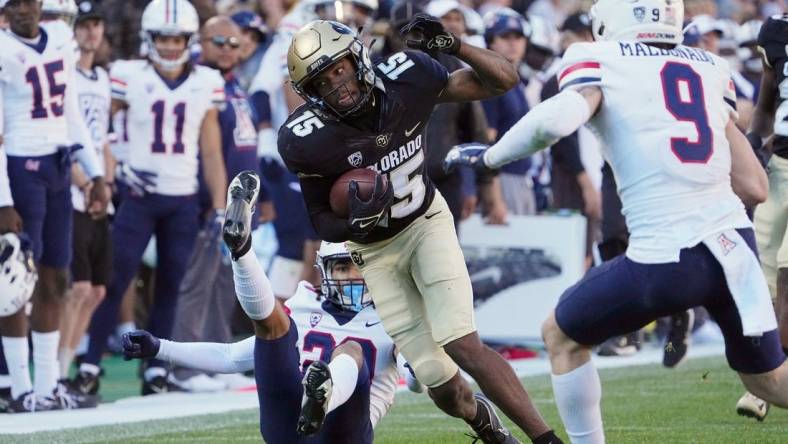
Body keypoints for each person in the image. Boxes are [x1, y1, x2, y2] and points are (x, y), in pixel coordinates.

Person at [444, 1, 788, 442]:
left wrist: (490, 156)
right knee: (771, 383)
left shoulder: (598, 58)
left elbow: (559, 120)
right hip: (734, 251)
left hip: (665, 256)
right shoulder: (711, 68)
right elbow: (755, 186)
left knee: (561, 336)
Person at [279, 18, 561, 444]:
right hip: (374, 255)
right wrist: (353, 222)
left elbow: (503, 80)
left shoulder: (408, 78)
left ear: (358, 58)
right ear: (310, 93)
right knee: (438, 382)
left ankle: (545, 439)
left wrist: (457, 45)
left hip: (426, 223)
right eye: (322, 80)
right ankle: (483, 423)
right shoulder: (306, 140)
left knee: (462, 342)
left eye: (339, 68)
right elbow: (319, 217)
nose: (336, 84)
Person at [73, 0, 227, 397]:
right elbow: (98, 126)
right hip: (137, 195)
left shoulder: (205, 82)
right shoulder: (127, 76)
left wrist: (222, 203)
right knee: (115, 278)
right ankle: (90, 361)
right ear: (149, 38)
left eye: (178, 39)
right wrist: (116, 166)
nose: (172, 46)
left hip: (182, 197)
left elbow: (210, 150)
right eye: (165, 38)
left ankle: (156, 368)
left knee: (171, 285)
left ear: (190, 40)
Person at [123, 233, 400, 439]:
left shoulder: (396, 315)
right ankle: (241, 249)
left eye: (358, 266)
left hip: (344, 434)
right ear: (325, 272)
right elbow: (232, 356)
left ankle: (323, 399)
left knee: (351, 350)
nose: (351, 276)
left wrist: (415, 361)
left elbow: (415, 379)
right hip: (290, 425)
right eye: (341, 268)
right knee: (277, 327)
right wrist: (160, 348)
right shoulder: (305, 304)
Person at [0, 0, 108, 412]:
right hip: (18, 169)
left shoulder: (61, 38)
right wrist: (3, 199)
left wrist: (94, 172)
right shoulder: (3, 49)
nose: (24, 10)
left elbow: (71, 112)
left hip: (58, 168)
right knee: (13, 284)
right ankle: (19, 387)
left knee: (55, 279)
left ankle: (47, 385)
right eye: (15, 4)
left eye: (30, 1)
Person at [168, 15, 263, 392]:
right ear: (201, 42)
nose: (227, 49)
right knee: (198, 282)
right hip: (211, 200)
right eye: (218, 42)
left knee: (226, 283)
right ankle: (184, 368)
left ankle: (219, 363)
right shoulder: (198, 83)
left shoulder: (233, 83)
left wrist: (262, 196)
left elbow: (245, 145)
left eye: (233, 43)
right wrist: (213, 199)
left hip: (240, 200)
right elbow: (206, 150)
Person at [57, 0, 115, 383]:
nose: (90, 31)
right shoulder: (66, 76)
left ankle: (68, 371)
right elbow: (64, 135)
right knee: (76, 287)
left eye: (96, 24)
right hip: (74, 188)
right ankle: (56, 375)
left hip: (98, 191)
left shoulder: (103, 78)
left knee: (95, 291)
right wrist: (86, 182)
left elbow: (105, 140)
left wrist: (106, 185)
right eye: (83, 24)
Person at [735, 12, 788, 422]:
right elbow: (767, 100)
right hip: (779, 169)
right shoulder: (775, 30)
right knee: (761, 277)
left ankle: (769, 382)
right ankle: (772, 375)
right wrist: (751, 145)